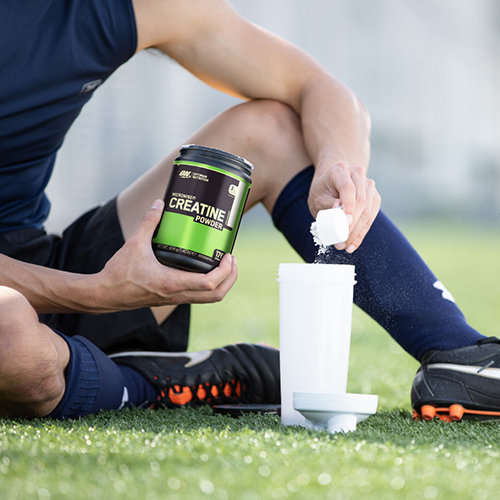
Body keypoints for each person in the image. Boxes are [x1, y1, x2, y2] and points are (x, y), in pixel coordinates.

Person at [1, 0, 499, 422]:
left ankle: (458, 356)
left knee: (271, 131)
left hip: (42, 259)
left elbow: (318, 89)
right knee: (11, 335)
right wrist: (95, 293)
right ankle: (152, 382)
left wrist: (340, 170)